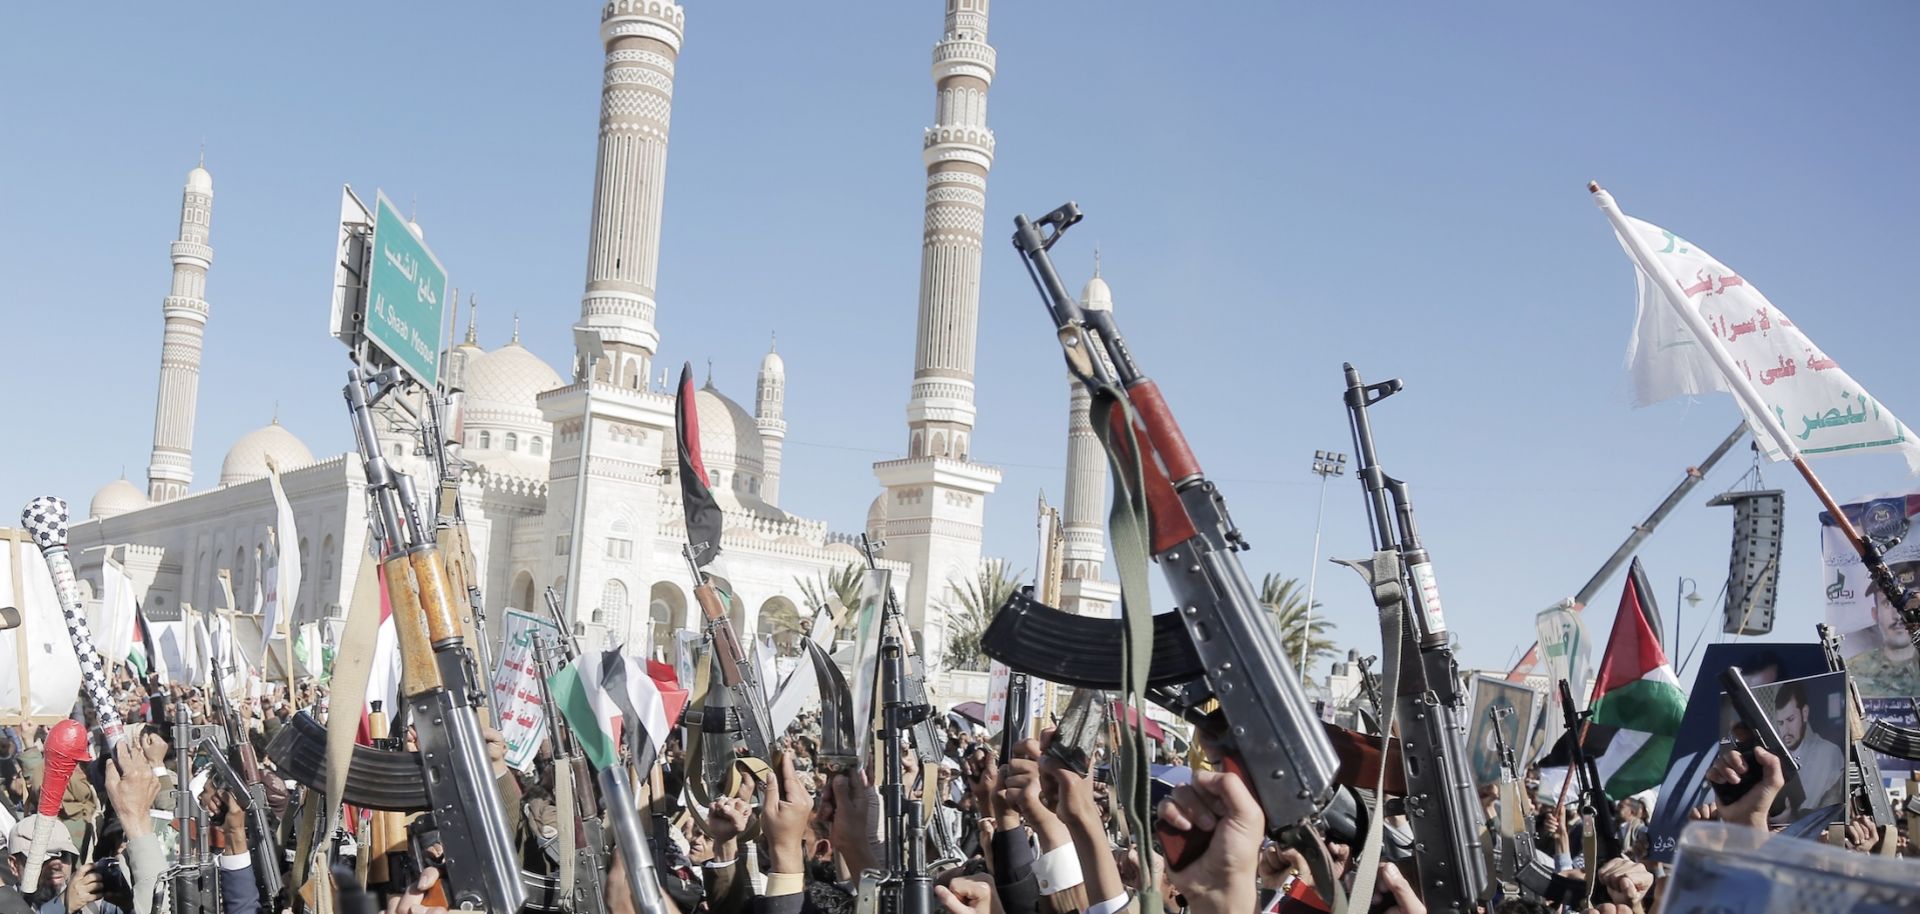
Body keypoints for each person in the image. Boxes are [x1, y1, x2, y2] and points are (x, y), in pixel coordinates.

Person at [1772, 681, 1844, 819]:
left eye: (1790, 719)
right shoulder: (1773, 758)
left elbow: (1830, 816)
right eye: (1780, 723)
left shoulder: (1829, 753)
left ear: (1804, 714)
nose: (1785, 731)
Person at [1848, 562, 1920, 698]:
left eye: (1910, 603)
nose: (1898, 615)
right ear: (1875, 614)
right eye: (1887, 604)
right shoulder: (1853, 671)